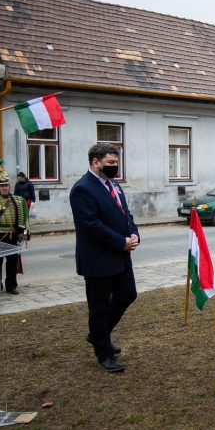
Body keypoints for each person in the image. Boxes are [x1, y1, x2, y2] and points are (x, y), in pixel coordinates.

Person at [69, 143, 139, 373]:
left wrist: (133, 234)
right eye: (110, 163)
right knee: (98, 308)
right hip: (98, 260)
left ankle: (97, 334)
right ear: (95, 162)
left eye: (116, 163)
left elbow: (124, 214)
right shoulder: (83, 189)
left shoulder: (114, 185)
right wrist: (121, 243)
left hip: (121, 256)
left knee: (128, 294)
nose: (114, 167)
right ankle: (104, 354)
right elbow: (91, 226)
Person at [0, 167, 29, 296]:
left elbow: (24, 218)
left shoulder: (18, 201)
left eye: (6, 185)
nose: (4, 188)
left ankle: (11, 285)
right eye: (2, 186)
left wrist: (24, 234)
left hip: (13, 235)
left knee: (12, 262)